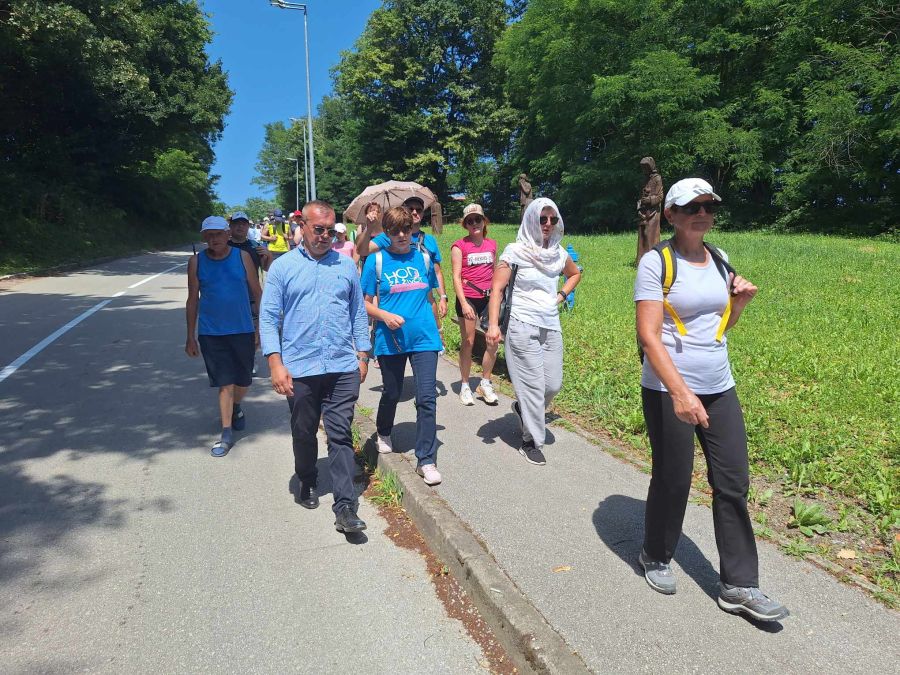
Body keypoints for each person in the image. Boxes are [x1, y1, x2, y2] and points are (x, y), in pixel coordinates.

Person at [634, 177, 788, 621]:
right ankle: (655, 554)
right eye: (692, 206)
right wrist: (680, 393)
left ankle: (739, 585)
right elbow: (649, 335)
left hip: (720, 385)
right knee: (674, 478)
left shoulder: (720, 257)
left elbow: (716, 328)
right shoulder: (656, 262)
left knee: (733, 481)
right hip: (668, 388)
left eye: (709, 206)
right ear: (671, 214)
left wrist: (738, 306)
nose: (702, 213)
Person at [259, 200, 371, 534]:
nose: (325, 236)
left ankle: (345, 507)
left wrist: (362, 355)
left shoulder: (346, 266)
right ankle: (307, 477)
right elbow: (268, 318)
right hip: (300, 367)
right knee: (304, 431)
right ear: (302, 227)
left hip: (341, 365)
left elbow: (357, 312)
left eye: (330, 230)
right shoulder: (283, 267)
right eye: (318, 229)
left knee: (340, 433)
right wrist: (275, 364)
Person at [486, 198, 581, 466]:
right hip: (521, 324)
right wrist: (493, 325)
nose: (548, 224)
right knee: (532, 386)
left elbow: (574, 274)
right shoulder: (515, 251)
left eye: (552, 219)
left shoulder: (558, 253)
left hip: (550, 325)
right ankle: (530, 441)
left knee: (553, 384)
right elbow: (497, 289)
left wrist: (561, 296)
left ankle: (522, 409)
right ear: (531, 220)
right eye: (542, 219)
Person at [360, 206, 443, 486]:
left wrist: (438, 328)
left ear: (412, 229)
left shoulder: (423, 257)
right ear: (386, 232)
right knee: (392, 392)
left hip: (424, 338)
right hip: (391, 339)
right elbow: (363, 304)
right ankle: (383, 430)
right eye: (394, 230)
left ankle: (426, 460)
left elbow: (429, 296)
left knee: (426, 398)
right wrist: (384, 316)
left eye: (406, 229)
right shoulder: (376, 261)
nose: (401, 235)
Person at [185, 216, 262, 457]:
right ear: (204, 237)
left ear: (227, 234)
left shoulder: (243, 257)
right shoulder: (196, 262)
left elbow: (257, 293)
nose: (214, 239)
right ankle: (226, 432)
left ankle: (236, 405)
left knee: (243, 381)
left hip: (243, 329)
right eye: (209, 235)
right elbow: (192, 300)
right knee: (224, 382)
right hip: (211, 332)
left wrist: (260, 327)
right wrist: (190, 336)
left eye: (218, 234)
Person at [359, 196, 449, 324]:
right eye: (411, 209)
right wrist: (369, 228)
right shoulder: (386, 238)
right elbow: (362, 251)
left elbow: (436, 272)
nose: (415, 212)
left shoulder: (429, 243)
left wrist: (443, 297)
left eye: (419, 209)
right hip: (392, 318)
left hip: (424, 315)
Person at [450, 203, 499, 406]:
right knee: (468, 342)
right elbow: (456, 276)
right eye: (470, 221)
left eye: (477, 219)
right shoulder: (459, 246)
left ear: (484, 221)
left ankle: (485, 383)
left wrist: (498, 296)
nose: (474, 223)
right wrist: (464, 303)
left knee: (493, 341)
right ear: (465, 225)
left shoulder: (492, 244)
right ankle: (465, 384)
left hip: (488, 298)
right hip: (468, 298)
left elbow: (495, 272)